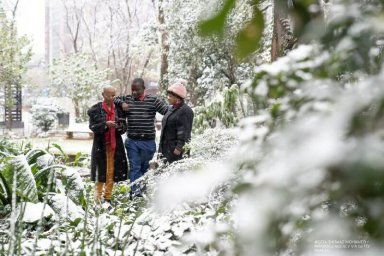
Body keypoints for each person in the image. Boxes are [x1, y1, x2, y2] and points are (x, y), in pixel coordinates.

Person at [115, 78, 168, 198]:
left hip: (148, 142)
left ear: (144, 89)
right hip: (132, 141)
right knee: (135, 166)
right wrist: (122, 103)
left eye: (137, 90)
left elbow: (167, 111)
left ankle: (141, 191)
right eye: (132, 90)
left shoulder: (153, 100)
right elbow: (114, 99)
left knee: (144, 167)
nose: (134, 92)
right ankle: (135, 193)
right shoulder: (127, 99)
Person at [88, 86, 128, 204]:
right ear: (103, 94)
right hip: (101, 145)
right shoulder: (95, 110)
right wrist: (105, 124)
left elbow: (124, 127)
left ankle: (108, 197)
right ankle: (98, 198)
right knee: (100, 171)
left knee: (112, 171)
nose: (112, 97)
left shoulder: (119, 109)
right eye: (109, 95)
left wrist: (119, 127)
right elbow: (92, 127)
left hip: (115, 145)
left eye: (114, 95)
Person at [159, 80, 194, 163]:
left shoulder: (185, 111)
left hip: (176, 152)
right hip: (166, 148)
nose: (168, 97)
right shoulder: (171, 108)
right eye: (168, 95)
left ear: (178, 98)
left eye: (170, 96)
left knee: (175, 174)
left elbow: (185, 131)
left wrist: (179, 148)